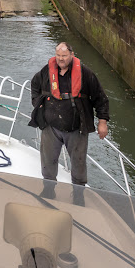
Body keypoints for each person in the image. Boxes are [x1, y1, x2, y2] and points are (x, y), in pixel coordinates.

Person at [29, 42, 109, 185]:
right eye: (58, 55)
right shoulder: (46, 71)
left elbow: (100, 98)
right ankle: (48, 190)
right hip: (51, 126)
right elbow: (35, 84)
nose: (61, 59)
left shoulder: (86, 74)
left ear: (72, 55)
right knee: (47, 163)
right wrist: (37, 103)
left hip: (76, 128)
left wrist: (102, 122)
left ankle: (78, 194)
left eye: (64, 56)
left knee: (78, 164)